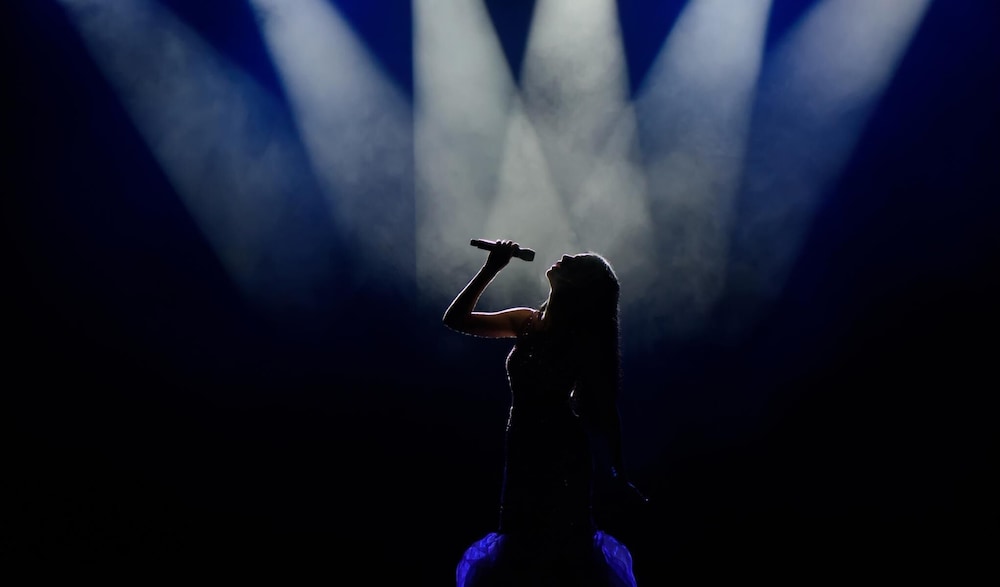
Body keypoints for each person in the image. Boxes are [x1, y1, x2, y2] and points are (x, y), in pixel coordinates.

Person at [443, 239, 647, 587]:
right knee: (520, 540)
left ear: (583, 288)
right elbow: (456, 319)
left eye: (576, 263)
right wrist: (492, 268)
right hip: (522, 448)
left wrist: (618, 472)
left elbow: (604, 408)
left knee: (559, 547)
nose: (564, 256)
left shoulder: (583, 338)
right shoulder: (527, 322)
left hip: (561, 452)